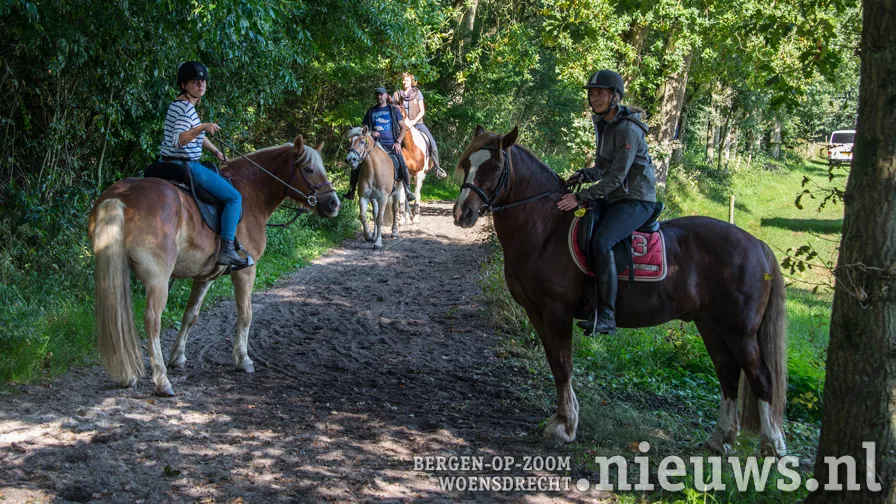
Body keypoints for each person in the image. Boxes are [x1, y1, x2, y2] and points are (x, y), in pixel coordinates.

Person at [556, 69, 658, 334]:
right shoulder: (605, 124)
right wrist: (584, 174)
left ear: (615, 96)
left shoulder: (628, 130)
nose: (595, 98)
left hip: (637, 200)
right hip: (616, 197)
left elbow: (616, 177)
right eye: (592, 94)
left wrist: (580, 197)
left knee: (603, 241)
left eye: (600, 93)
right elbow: (603, 167)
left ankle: (607, 316)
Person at [160, 61, 248, 267]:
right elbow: (179, 139)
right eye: (195, 82)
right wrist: (202, 127)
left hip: (169, 161)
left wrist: (215, 151)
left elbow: (195, 135)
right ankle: (226, 249)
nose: (201, 85)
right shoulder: (185, 109)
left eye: (203, 82)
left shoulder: (180, 104)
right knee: (235, 197)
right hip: (186, 165)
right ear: (184, 85)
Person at [344, 86, 416, 201]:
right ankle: (352, 190)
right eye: (377, 94)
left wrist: (398, 142)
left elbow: (403, 128)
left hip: (390, 144)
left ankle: (407, 190)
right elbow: (364, 131)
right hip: (374, 145)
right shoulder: (371, 111)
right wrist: (372, 132)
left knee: (401, 161)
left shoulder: (393, 110)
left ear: (386, 95)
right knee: (357, 164)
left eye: (381, 94)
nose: (379, 96)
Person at [393, 73, 445, 178]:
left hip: (417, 123)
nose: (404, 82)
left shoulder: (417, 93)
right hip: (401, 125)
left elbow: (422, 111)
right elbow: (393, 108)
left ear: (411, 81)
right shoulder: (397, 94)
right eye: (403, 80)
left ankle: (437, 167)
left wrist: (413, 121)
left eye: (407, 80)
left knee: (432, 142)